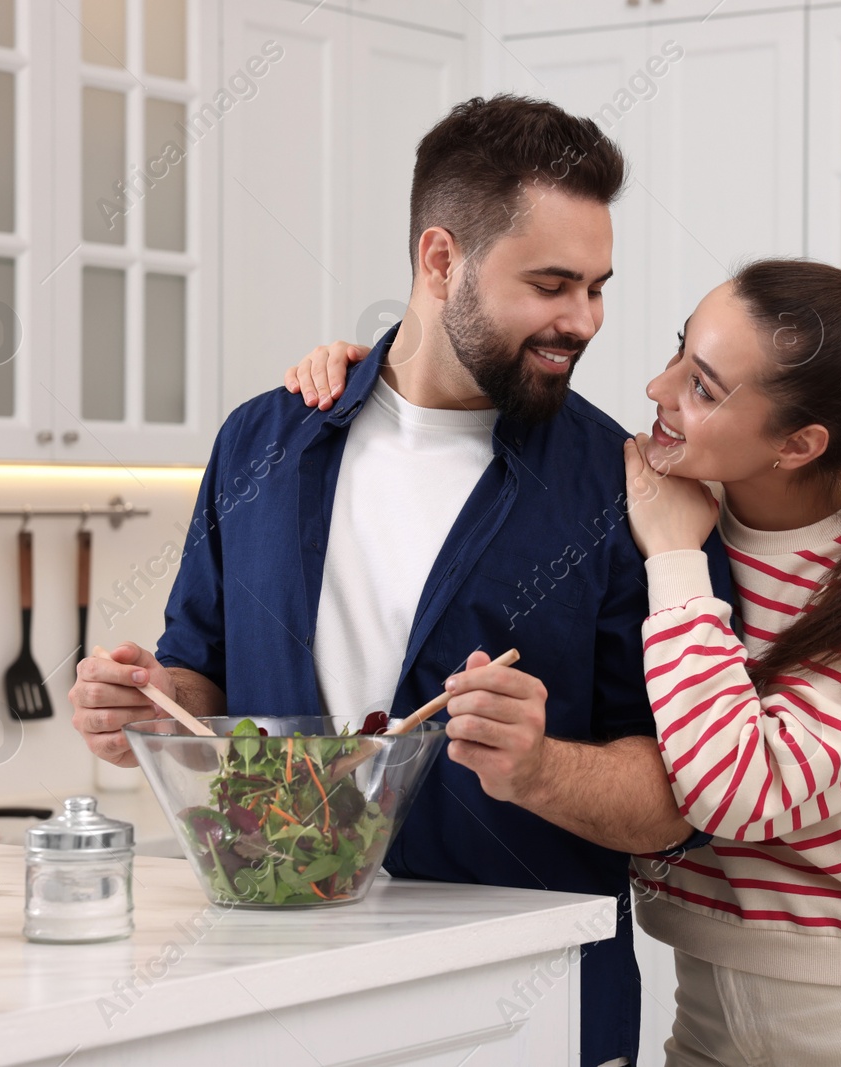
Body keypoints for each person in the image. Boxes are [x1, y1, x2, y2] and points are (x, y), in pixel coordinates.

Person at [69, 94, 731, 1067]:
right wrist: (148, 714)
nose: (581, 320)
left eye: (596, 287)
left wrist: (542, 764)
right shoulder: (265, 440)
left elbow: (684, 794)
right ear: (439, 260)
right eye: (551, 283)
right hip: (276, 980)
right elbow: (199, 683)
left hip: (520, 1005)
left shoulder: (630, 489)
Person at [289, 261, 841, 1065]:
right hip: (706, 1011)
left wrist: (672, 556)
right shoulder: (684, 492)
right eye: (678, 352)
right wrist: (383, 387)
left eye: (702, 387)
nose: (658, 388)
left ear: (798, 444)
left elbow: (732, 790)